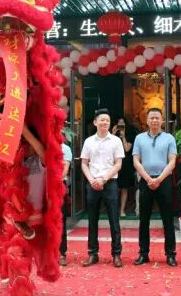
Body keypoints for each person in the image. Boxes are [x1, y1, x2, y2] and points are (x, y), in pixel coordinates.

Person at [133, 108, 178, 267]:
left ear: (162, 120)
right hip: (146, 181)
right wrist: (147, 178)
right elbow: (136, 161)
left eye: (157, 118)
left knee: (168, 219)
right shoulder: (139, 138)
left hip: (163, 180)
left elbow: (172, 161)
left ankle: (170, 254)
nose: (154, 121)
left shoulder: (169, 138)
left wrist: (159, 179)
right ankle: (143, 253)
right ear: (147, 120)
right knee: (144, 219)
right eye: (151, 118)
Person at [80, 108, 125, 268]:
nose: (105, 122)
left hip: (110, 183)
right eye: (102, 120)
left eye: (107, 120)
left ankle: (116, 254)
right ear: (95, 122)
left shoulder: (116, 141)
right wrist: (92, 180)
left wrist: (103, 179)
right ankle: (93, 253)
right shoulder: (88, 141)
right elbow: (84, 163)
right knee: (92, 220)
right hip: (92, 184)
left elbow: (118, 164)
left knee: (114, 220)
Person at [112, 117, 134, 217]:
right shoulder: (112, 137)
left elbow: (127, 149)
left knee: (124, 188)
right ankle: (113, 210)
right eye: (119, 123)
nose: (121, 125)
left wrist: (123, 137)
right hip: (114, 164)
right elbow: (108, 146)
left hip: (125, 165)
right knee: (114, 188)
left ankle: (122, 210)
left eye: (122, 123)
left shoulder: (130, 135)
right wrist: (113, 133)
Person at [59, 141, 73, 266]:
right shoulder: (43, 144)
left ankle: (61, 253)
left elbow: (65, 169)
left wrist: (54, 180)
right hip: (42, 183)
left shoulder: (65, 148)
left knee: (60, 220)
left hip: (58, 184)